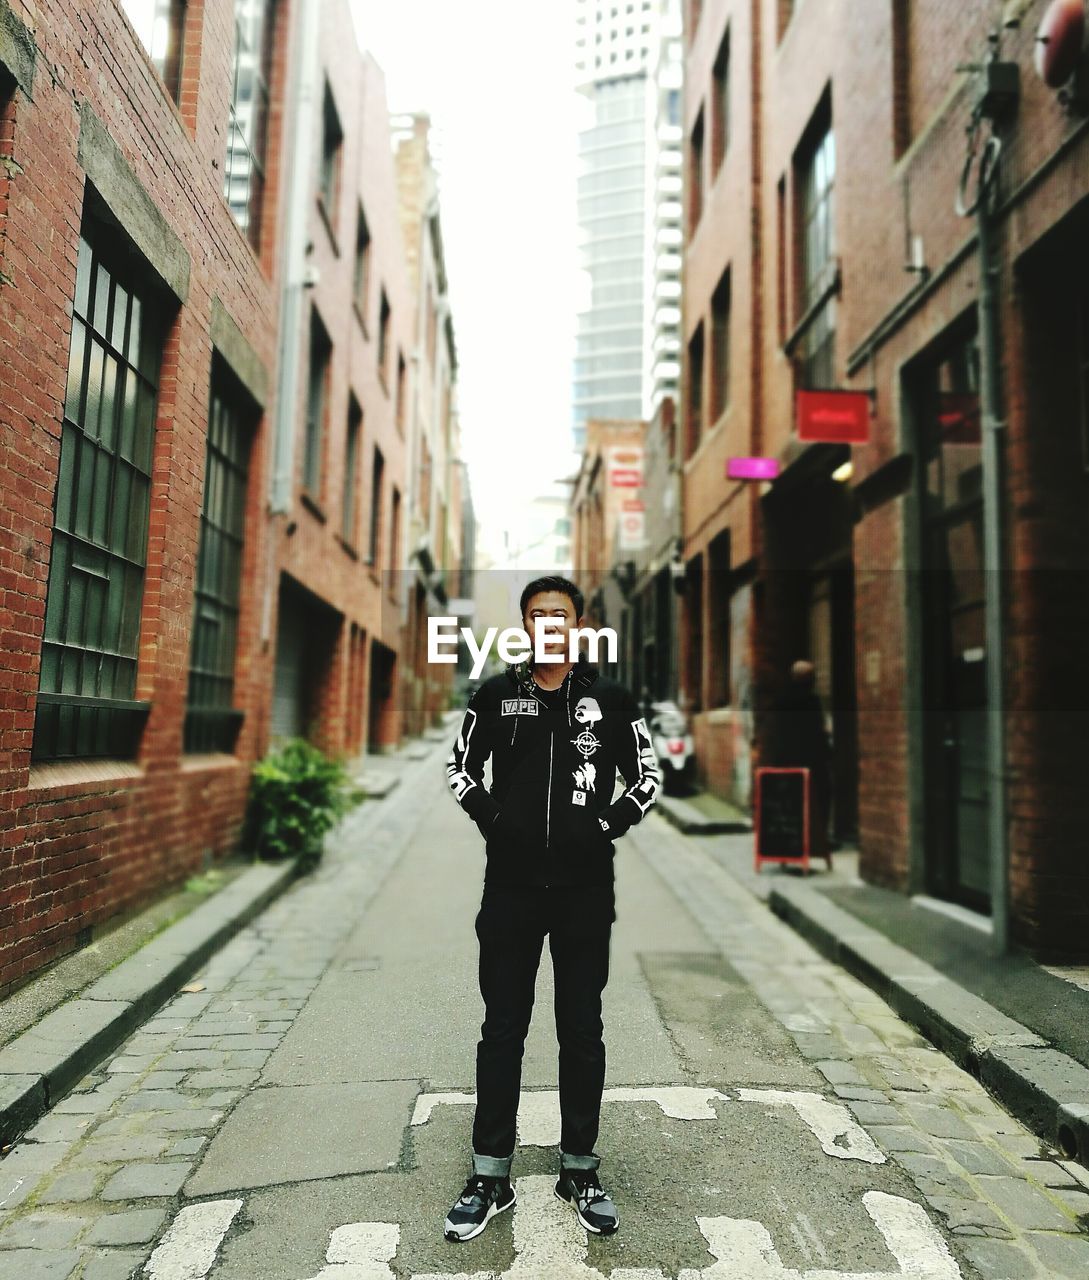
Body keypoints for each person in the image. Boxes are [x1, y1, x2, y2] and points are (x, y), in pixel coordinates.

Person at [443, 575, 661, 1242]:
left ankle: (579, 1169)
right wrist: (496, 821)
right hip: (508, 888)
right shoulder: (494, 695)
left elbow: (648, 777)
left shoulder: (611, 700)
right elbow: (458, 769)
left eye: (558, 615)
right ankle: (489, 1177)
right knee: (502, 1027)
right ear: (523, 627)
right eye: (535, 616)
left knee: (581, 1027)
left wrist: (603, 827)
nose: (547, 626)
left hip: (583, 889)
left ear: (577, 625)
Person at [767, 659, 832, 856]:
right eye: (812, 677)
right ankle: (817, 840)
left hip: (784, 762)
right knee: (821, 798)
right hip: (811, 762)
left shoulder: (780, 701)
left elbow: (773, 732)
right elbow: (817, 732)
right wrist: (828, 752)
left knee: (789, 803)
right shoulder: (811, 701)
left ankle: (790, 844)